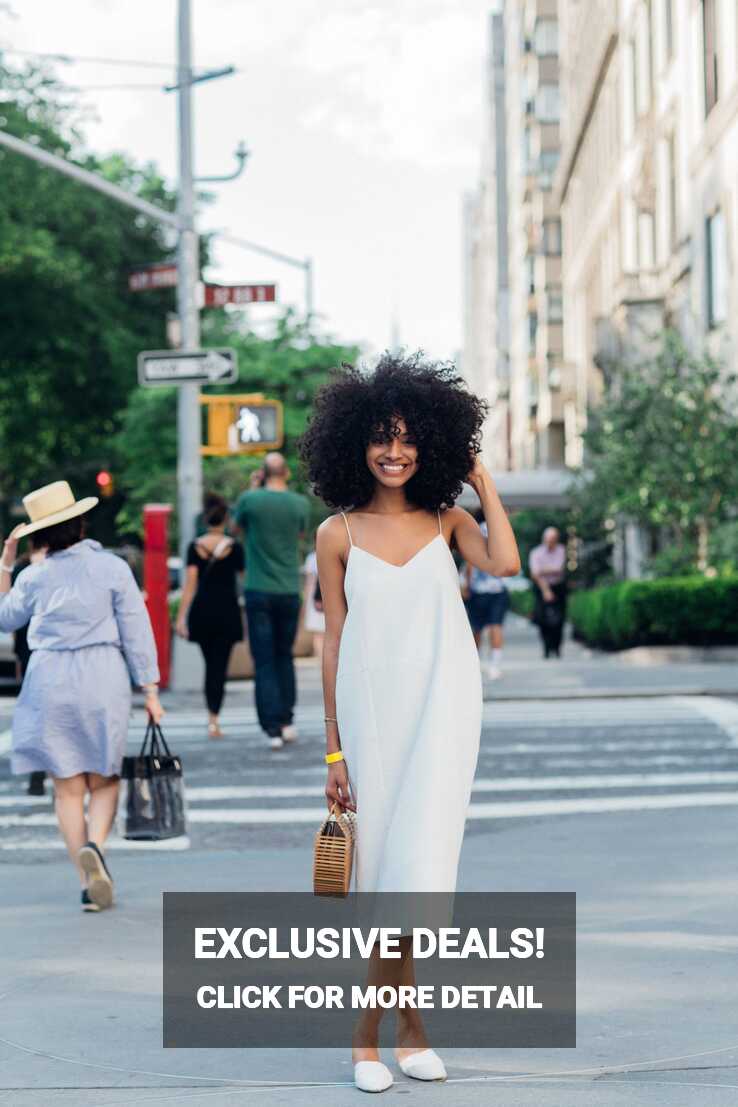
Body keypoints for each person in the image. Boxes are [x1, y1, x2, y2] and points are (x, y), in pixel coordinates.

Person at [299, 353, 521, 1093]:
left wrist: (482, 480)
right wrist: (332, 747)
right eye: (380, 438)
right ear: (355, 444)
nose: (394, 452)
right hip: (370, 716)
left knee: (418, 872)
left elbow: (509, 563)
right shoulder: (337, 534)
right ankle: (401, 1027)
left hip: (445, 707)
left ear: (430, 444)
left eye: (408, 438)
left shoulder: (448, 518)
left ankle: (376, 1032)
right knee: (386, 876)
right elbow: (333, 641)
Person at [0, 480, 162, 912]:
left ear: (39, 533)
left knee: (67, 788)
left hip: (49, 676)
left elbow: (4, 620)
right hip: (101, 674)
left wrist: (5, 566)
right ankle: (96, 846)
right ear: (81, 521)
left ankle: (87, 881)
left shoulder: (34, 575)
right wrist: (149, 689)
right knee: (104, 778)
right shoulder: (111, 567)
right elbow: (136, 629)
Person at [232, 453, 309, 750]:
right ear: (286, 473)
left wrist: (253, 489)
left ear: (262, 473)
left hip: (258, 588)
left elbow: (235, 531)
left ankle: (272, 727)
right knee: (284, 656)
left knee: (263, 661)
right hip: (289, 588)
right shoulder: (299, 504)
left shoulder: (249, 500)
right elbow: (300, 534)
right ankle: (287, 720)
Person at [176, 493, 245, 739]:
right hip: (227, 612)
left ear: (205, 520)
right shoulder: (235, 547)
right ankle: (215, 718)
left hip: (202, 613)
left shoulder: (194, 547)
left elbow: (190, 586)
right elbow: (244, 581)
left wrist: (181, 617)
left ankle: (211, 719)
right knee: (220, 667)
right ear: (225, 519)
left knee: (209, 666)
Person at [11, 550, 48, 796]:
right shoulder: (26, 571)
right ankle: (43, 769)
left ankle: (41, 770)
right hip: (35, 651)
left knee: (40, 714)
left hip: (32, 652)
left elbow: (11, 618)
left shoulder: (25, 570)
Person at [464, 519, 510, 680]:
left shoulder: (476, 530)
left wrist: (468, 586)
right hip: (498, 588)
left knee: (477, 628)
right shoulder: (501, 530)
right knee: (496, 626)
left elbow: (470, 561)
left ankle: (474, 665)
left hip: (479, 589)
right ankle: (494, 666)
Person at [529, 526, 567, 658]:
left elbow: (559, 569)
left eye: (553, 539)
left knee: (559, 620)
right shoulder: (536, 553)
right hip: (541, 587)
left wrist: (543, 570)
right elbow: (535, 574)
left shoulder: (561, 550)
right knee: (542, 619)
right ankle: (546, 647)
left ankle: (557, 647)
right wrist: (545, 590)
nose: (550, 542)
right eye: (548, 539)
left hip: (558, 587)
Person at [302, 548, 325, 661]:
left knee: (318, 635)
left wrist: (305, 604)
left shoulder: (311, 558)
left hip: (315, 602)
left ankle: (322, 662)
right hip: (329, 597)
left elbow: (309, 583)